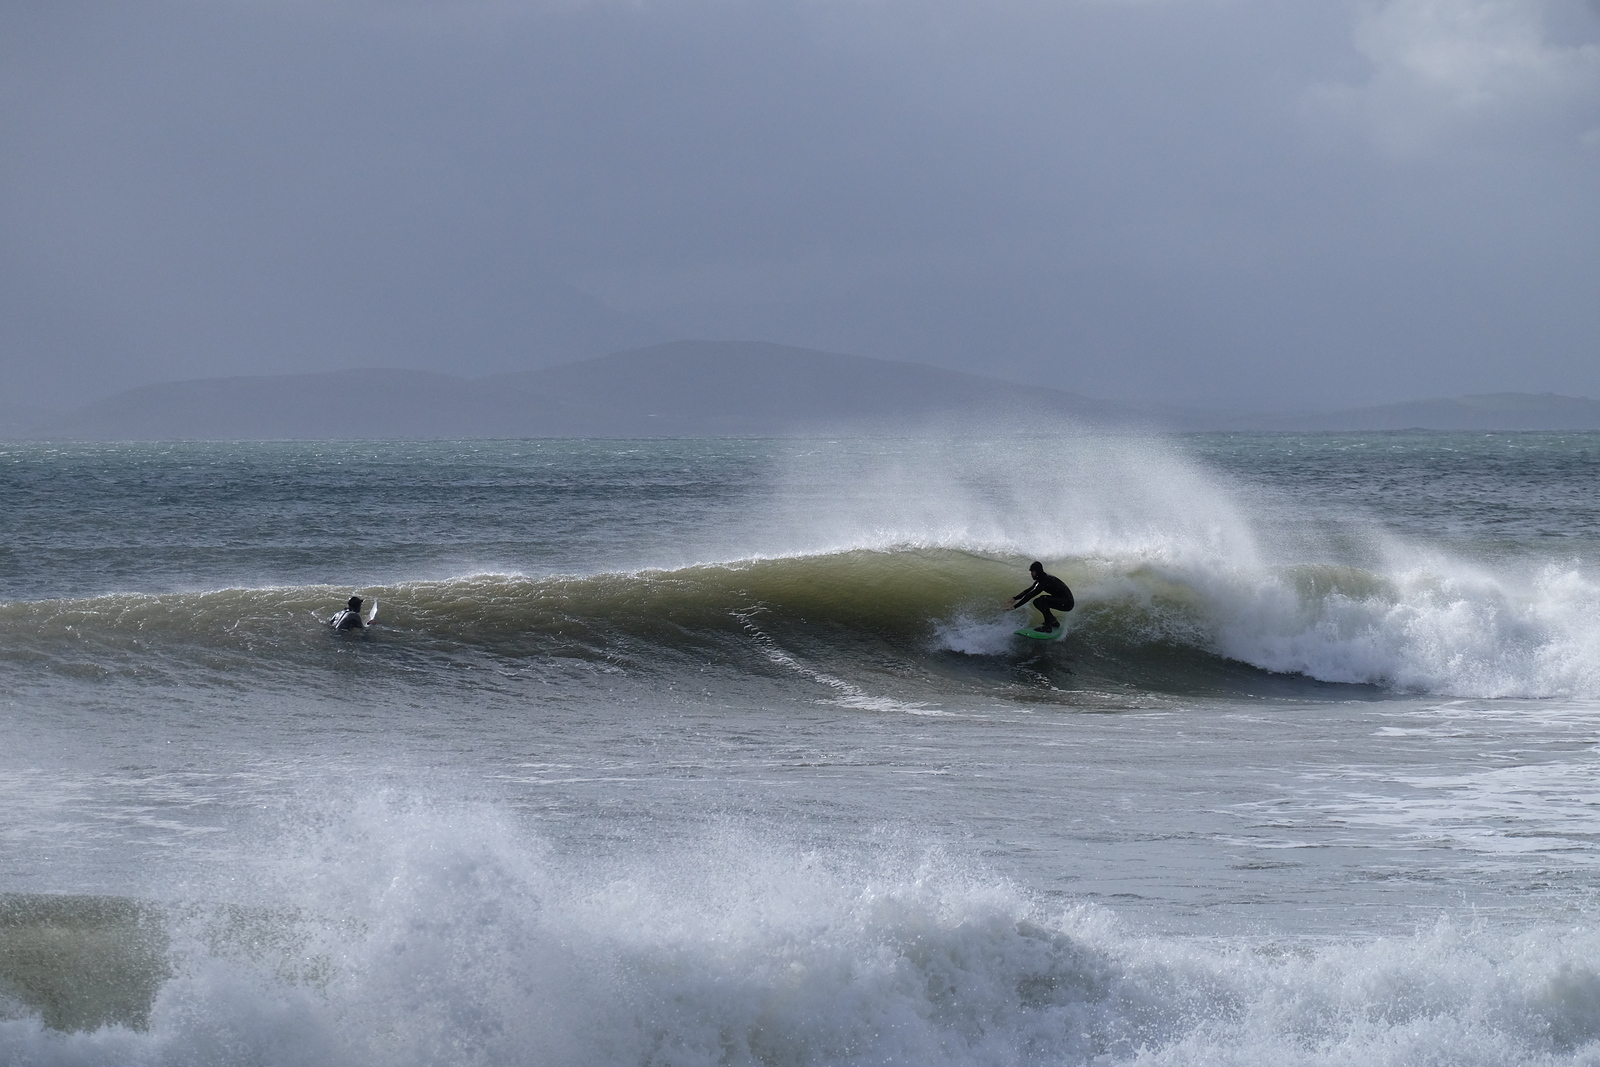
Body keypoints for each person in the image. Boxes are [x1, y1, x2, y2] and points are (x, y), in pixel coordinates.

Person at [1008, 561, 1074, 633]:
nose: (1031, 574)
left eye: (1032, 572)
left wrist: (1015, 607)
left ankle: (1047, 627)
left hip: (1067, 603)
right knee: (1036, 602)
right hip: (1064, 601)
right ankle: (1053, 621)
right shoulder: (1042, 578)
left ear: (1037, 571)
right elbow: (1029, 590)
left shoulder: (1044, 581)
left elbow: (1030, 595)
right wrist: (1015, 598)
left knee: (1042, 600)